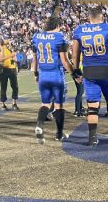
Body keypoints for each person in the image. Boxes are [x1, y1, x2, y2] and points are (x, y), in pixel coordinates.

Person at [72, 7, 108, 147]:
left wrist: (75, 70)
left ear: (89, 17)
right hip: (106, 70)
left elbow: (75, 54)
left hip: (89, 71)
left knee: (92, 105)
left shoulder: (80, 30)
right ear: (101, 17)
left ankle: (92, 138)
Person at [31, 16, 75, 144]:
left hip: (43, 75)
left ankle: (39, 125)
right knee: (58, 105)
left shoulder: (36, 37)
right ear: (57, 26)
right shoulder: (59, 37)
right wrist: (74, 73)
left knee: (45, 104)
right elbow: (65, 61)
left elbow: (35, 59)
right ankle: (59, 134)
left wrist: (36, 74)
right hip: (56, 74)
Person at [0, 39, 19, 111]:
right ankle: (3, 104)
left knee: (15, 86)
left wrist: (15, 62)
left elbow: (13, 59)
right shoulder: (0, 48)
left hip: (12, 69)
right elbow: (0, 59)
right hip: (4, 69)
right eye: (7, 42)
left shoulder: (10, 49)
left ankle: (14, 103)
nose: (8, 43)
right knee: (3, 87)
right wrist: (11, 55)